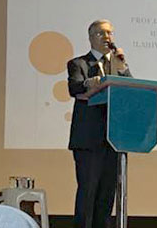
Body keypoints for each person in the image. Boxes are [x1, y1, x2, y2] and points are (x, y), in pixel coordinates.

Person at [67, 19, 132, 228]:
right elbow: (75, 87)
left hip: (114, 140)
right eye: (102, 33)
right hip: (88, 141)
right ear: (91, 37)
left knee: (106, 197)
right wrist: (90, 82)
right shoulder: (79, 64)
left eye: (110, 33)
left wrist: (123, 69)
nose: (107, 37)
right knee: (88, 194)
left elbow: (131, 90)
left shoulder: (118, 65)